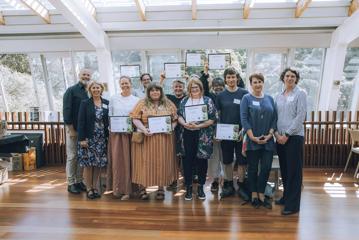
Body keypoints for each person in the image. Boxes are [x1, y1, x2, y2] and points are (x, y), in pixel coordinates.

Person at [130, 82, 178, 200]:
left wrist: (170, 128)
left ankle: (161, 188)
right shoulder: (141, 103)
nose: (155, 92)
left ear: (161, 92)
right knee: (143, 163)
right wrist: (143, 129)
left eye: (157, 90)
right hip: (146, 138)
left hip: (164, 140)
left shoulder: (168, 103)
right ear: (148, 92)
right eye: (152, 90)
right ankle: (142, 189)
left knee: (162, 163)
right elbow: (135, 118)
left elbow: (175, 119)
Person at [240, 73, 276, 209]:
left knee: (266, 168)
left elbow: (274, 119)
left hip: (268, 140)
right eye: (255, 82)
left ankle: (262, 193)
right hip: (252, 139)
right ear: (251, 84)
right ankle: (254, 194)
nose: (257, 84)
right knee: (253, 168)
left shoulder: (270, 99)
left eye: (260, 81)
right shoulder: (246, 98)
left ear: (263, 83)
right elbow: (244, 119)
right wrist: (252, 136)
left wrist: (269, 135)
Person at [274, 68, 307, 215]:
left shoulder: (301, 94)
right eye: (287, 76)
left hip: (294, 137)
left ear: (296, 79)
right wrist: (277, 134)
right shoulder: (279, 96)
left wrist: (286, 134)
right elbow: (275, 117)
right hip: (280, 138)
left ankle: (293, 206)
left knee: (294, 172)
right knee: (285, 170)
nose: (289, 78)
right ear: (283, 78)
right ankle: (286, 197)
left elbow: (300, 116)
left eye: (293, 76)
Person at [178, 77, 216, 201]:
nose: (194, 89)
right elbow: (179, 116)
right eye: (192, 87)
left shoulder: (207, 100)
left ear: (201, 88)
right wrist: (184, 124)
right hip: (187, 134)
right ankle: (188, 187)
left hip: (203, 135)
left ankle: (200, 187)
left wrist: (198, 125)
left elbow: (212, 119)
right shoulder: (184, 101)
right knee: (187, 161)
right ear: (189, 89)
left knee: (202, 161)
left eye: (197, 87)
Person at [216, 67, 249, 201]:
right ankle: (229, 185)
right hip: (225, 134)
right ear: (225, 79)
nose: (231, 79)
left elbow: (248, 114)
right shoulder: (220, 96)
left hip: (241, 134)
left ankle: (241, 186)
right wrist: (217, 131)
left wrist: (244, 130)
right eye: (228, 77)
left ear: (237, 78)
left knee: (242, 161)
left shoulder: (244, 94)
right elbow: (217, 115)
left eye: (233, 77)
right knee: (227, 160)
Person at [107, 76, 140, 200]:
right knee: (119, 162)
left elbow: (138, 117)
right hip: (117, 135)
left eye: (127, 83)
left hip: (131, 134)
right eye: (122, 83)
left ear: (131, 84)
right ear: (119, 85)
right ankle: (119, 188)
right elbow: (110, 116)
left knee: (132, 161)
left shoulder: (137, 100)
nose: (124, 85)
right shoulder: (114, 98)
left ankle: (132, 189)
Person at [77, 81, 109, 199]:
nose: (96, 89)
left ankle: (95, 187)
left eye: (98, 88)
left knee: (98, 164)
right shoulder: (85, 103)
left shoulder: (107, 103)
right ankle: (89, 188)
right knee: (88, 164)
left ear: (101, 89)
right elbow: (81, 122)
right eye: (93, 88)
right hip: (89, 138)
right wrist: (82, 139)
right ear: (90, 90)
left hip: (101, 139)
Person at [63, 68, 91, 194]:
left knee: (82, 156)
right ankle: (71, 183)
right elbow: (67, 110)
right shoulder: (71, 90)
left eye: (88, 75)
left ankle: (79, 181)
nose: (86, 76)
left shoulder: (89, 91)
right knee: (73, 156)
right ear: (79, 75)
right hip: (73, 129)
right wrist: (70, 129)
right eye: (84, 74)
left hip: (85, 130)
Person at [160, 75, 187, 190]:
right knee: (173, 156)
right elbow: (158, 91)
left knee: (185, 156)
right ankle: (173, 180)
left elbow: (196, 87)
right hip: (172, 130)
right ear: (172, 88)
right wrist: (162, 80)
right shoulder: (169, 98)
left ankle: (186, 179)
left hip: (186, 130)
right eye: (176, 87)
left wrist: (187, 78)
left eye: (180, 87)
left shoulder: (187, 97)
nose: (178, 89)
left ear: (184, 88)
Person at [207, 77, 225, 192]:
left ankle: (226, 179)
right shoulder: (209, 98)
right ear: (212, 87)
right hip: (212, 133)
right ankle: (215, 180)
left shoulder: (227, 96)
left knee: (226, 158)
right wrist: (213, 132)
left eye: (220, 85)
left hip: (226, 132)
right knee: (213, 158)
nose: (218, 87)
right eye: (215, 86)